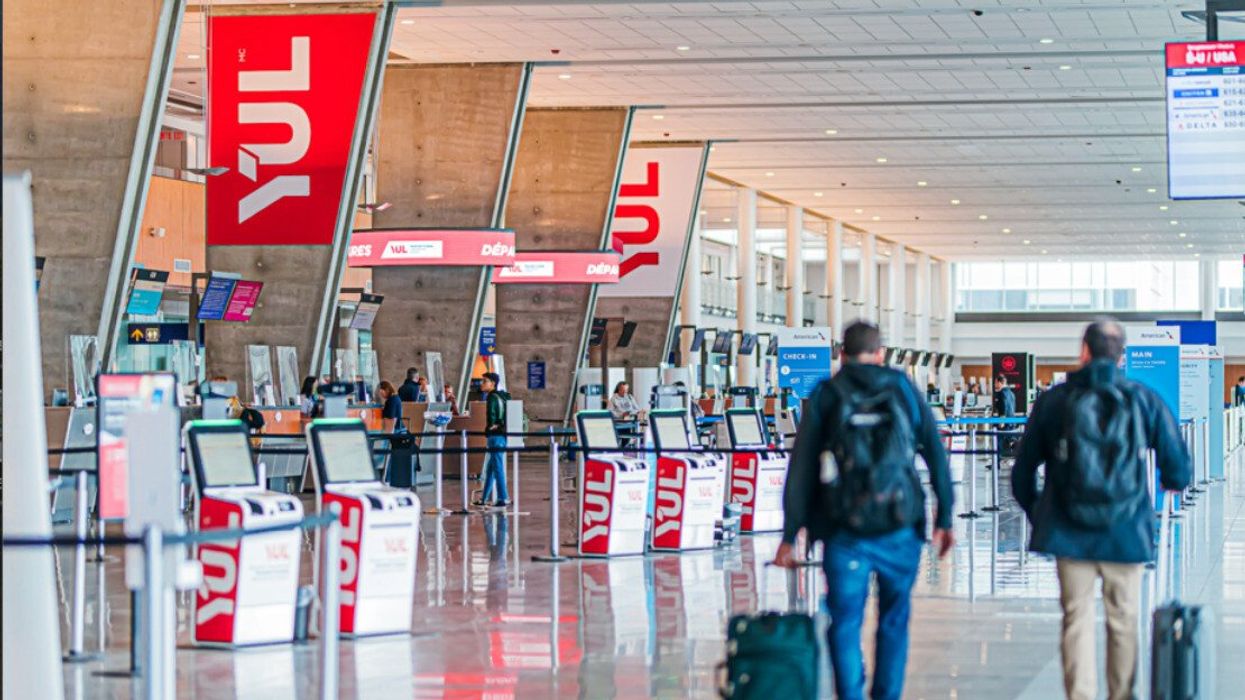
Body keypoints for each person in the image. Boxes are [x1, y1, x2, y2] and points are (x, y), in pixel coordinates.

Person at [775, 321, 955, 700]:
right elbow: (936, 453)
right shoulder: (902, 388)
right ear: (881, 353)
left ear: (841, 354)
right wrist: (944, 517)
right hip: (899, 524)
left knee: (844, 623)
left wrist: (791, 533)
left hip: (844, 530)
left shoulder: (827, 393)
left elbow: (802, 467)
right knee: (894, 621)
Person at [1011, 318, 1190, 700]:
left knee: (1076, 619)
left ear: (1084, 352)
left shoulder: (1054, 400)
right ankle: (1122, 695)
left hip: (1068, 529)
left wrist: (1041, 514)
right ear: (1121, 355)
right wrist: (1170, 481)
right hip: (1126, 530)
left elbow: (1022, 472)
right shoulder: (1143, 398)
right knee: (1123, 620)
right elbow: (1178, 466)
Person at [476, 372, 511, 508]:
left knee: (497, 468)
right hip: (502, 435)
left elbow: (492, 417)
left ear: (493, 384)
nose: (482, 384)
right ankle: (484, 498)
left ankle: (503, 497)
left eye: (485, 381)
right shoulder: (503, 396)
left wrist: (489, 428)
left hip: (495, 436)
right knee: (491, 468)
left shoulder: (491, 397)